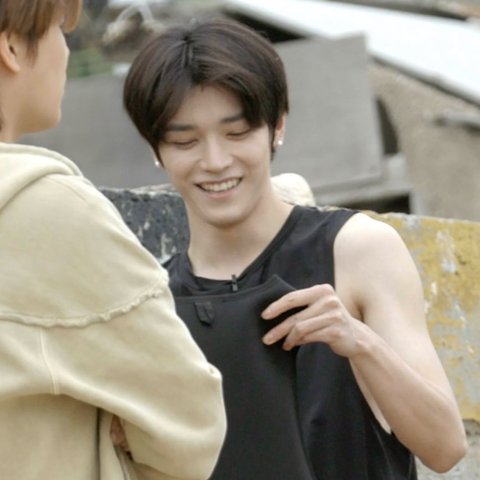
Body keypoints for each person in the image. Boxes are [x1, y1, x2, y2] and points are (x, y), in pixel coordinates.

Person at [123, 17, 467, 480]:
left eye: (237, 133)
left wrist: (360, 343)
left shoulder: (357, 248)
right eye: (185, 141)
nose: (216, 161)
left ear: (277, 126)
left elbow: (445, 448)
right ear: (156, 149)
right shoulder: (154, 302)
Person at [0, 1, 226, 479]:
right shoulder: (48, 210)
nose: (66, 51)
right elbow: (191, 425)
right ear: (12, 48)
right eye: (60, 30)